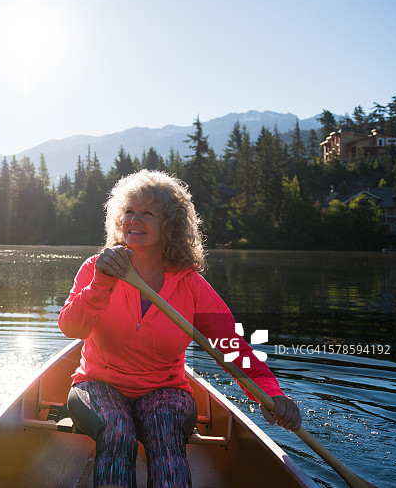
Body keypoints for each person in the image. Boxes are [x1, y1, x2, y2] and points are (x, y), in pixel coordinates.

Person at [58, 170, 301, 488]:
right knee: (118, 428)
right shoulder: (96, 268)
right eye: (129, 211)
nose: (135, 219)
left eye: (147, 213)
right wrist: (101, 282)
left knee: (164, 427)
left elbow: (233, 348)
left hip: (165, 391)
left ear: (170, 225)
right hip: (98, 385)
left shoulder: (191, 285)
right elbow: (71, 327)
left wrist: (270, 393)